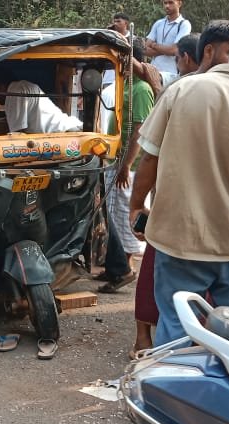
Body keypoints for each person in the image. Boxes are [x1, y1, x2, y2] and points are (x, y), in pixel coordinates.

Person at [130, 17, 229, 345]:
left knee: (176, 327)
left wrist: (136, 204)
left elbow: (149, 158)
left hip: (179, 237)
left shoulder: (181, 90)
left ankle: (173, 376)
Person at [99, 38, 154, 296]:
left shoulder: (141, 89)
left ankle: (126, 266)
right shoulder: (127, 85)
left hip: (128, 163)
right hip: (117, 158)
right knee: (113, 210)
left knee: (125, 211)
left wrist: (127, 164)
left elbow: (140, 130)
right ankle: (116, 264)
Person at [0, 78, 82, 134]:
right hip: (63, 132)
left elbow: (17, 134)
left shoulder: (15, 90)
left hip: (66, 133)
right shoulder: (20, 87)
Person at [145, 0, 191, 83]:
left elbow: (174, 50)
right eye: (165, 3)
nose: (167, 6)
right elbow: (146, 49)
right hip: (152, 72)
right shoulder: (158, 23)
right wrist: (167, 50)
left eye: (170, 2)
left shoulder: (184, 24)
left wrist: (154, 45)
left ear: (179, 3)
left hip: (171, 75)